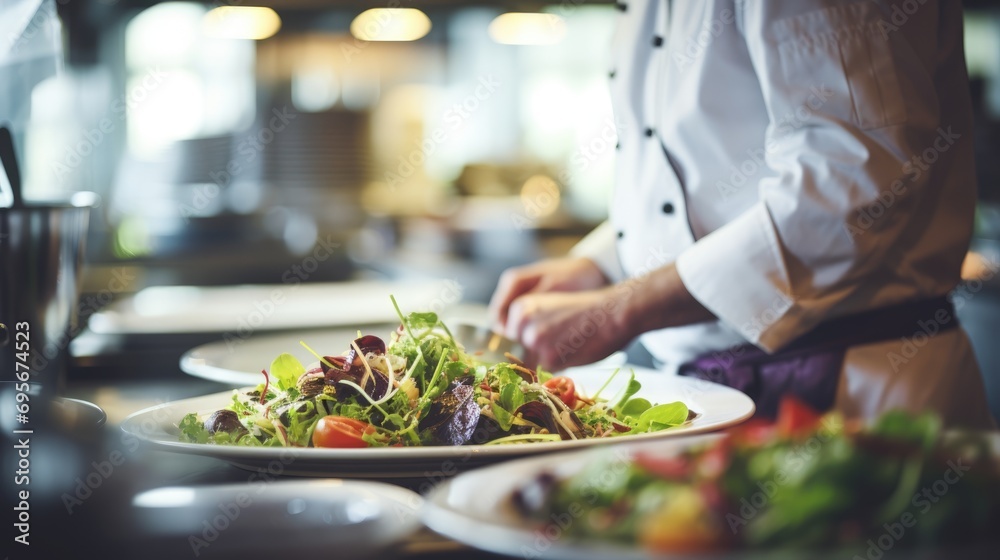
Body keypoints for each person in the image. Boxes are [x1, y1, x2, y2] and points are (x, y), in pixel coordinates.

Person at [489, 0, 996, 428]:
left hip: (856, 392)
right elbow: (697, 177)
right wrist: (605, 264)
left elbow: (853, 186)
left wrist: (624, 307)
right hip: (710, 394)